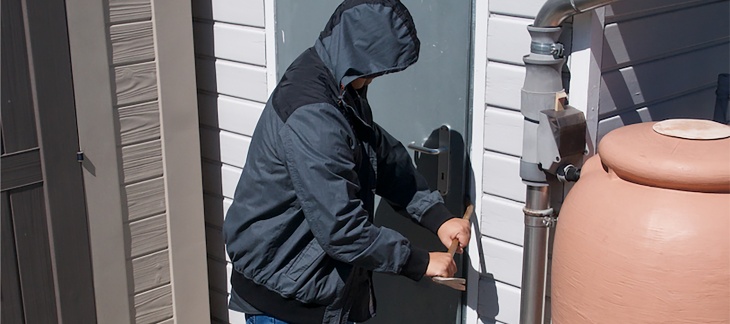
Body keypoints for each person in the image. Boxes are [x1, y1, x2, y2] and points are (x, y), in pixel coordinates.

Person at [222, 1, 471, 323]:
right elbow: (342, 229)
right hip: (285, 299)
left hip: (318, 288)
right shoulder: (314, 113)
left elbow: (382, 156)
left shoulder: (337, 84)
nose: (375, 78)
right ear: (357, 55)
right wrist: (418, 261)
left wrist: (438, 217)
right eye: (375, 69)